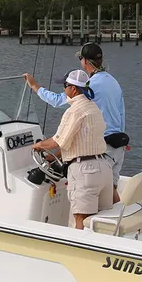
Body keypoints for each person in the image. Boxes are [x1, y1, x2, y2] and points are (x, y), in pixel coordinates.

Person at [24, 42, 127, 203]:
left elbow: (58, 100)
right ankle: (119, 218)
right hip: (119, 144)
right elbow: (121, 113)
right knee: (111, 190)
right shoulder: (113, 81)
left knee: (94, 196)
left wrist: (35, 86)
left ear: (84, 61)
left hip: (103, 146)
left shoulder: (89, 86)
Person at [32, 69, 113, 230]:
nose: (63, 90)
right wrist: (51, 157)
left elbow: (58, 141)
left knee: (81, 219)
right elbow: (78, 142)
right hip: (104, 167)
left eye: (65, 86)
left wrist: (38, 146)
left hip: (85, 171)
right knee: (101, 219)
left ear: (73, 89)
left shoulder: (74, 111)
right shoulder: (93, 108)